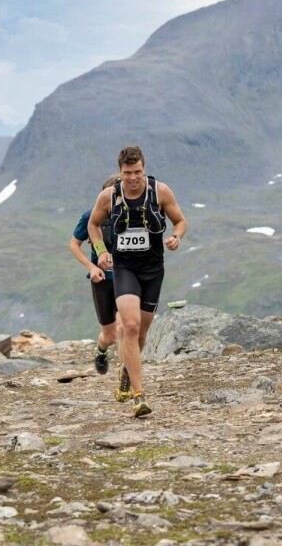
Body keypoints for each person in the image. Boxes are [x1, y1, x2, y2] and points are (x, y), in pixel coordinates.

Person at [88, 146, 187, 417]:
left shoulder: (160, 192)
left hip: (153, 270)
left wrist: (176, 237)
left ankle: (126, 370)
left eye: (138, 172)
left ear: (144, 169)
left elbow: (180, 221)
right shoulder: (109, 196)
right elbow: (93, 225)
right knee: (129, 326)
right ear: (119, 172)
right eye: (127, 173)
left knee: (141, 333)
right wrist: (101, 251)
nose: (133, 178)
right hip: (125, 269)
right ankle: (139, 395)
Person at [69, 175, 122, 376]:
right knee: (110, 336)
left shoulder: (133, 214)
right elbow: (74, 244)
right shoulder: (91, 216)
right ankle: (101, 350)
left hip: (128, 279)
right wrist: (91, 267)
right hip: (103, 281)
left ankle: (126, 373)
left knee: (127, 327)